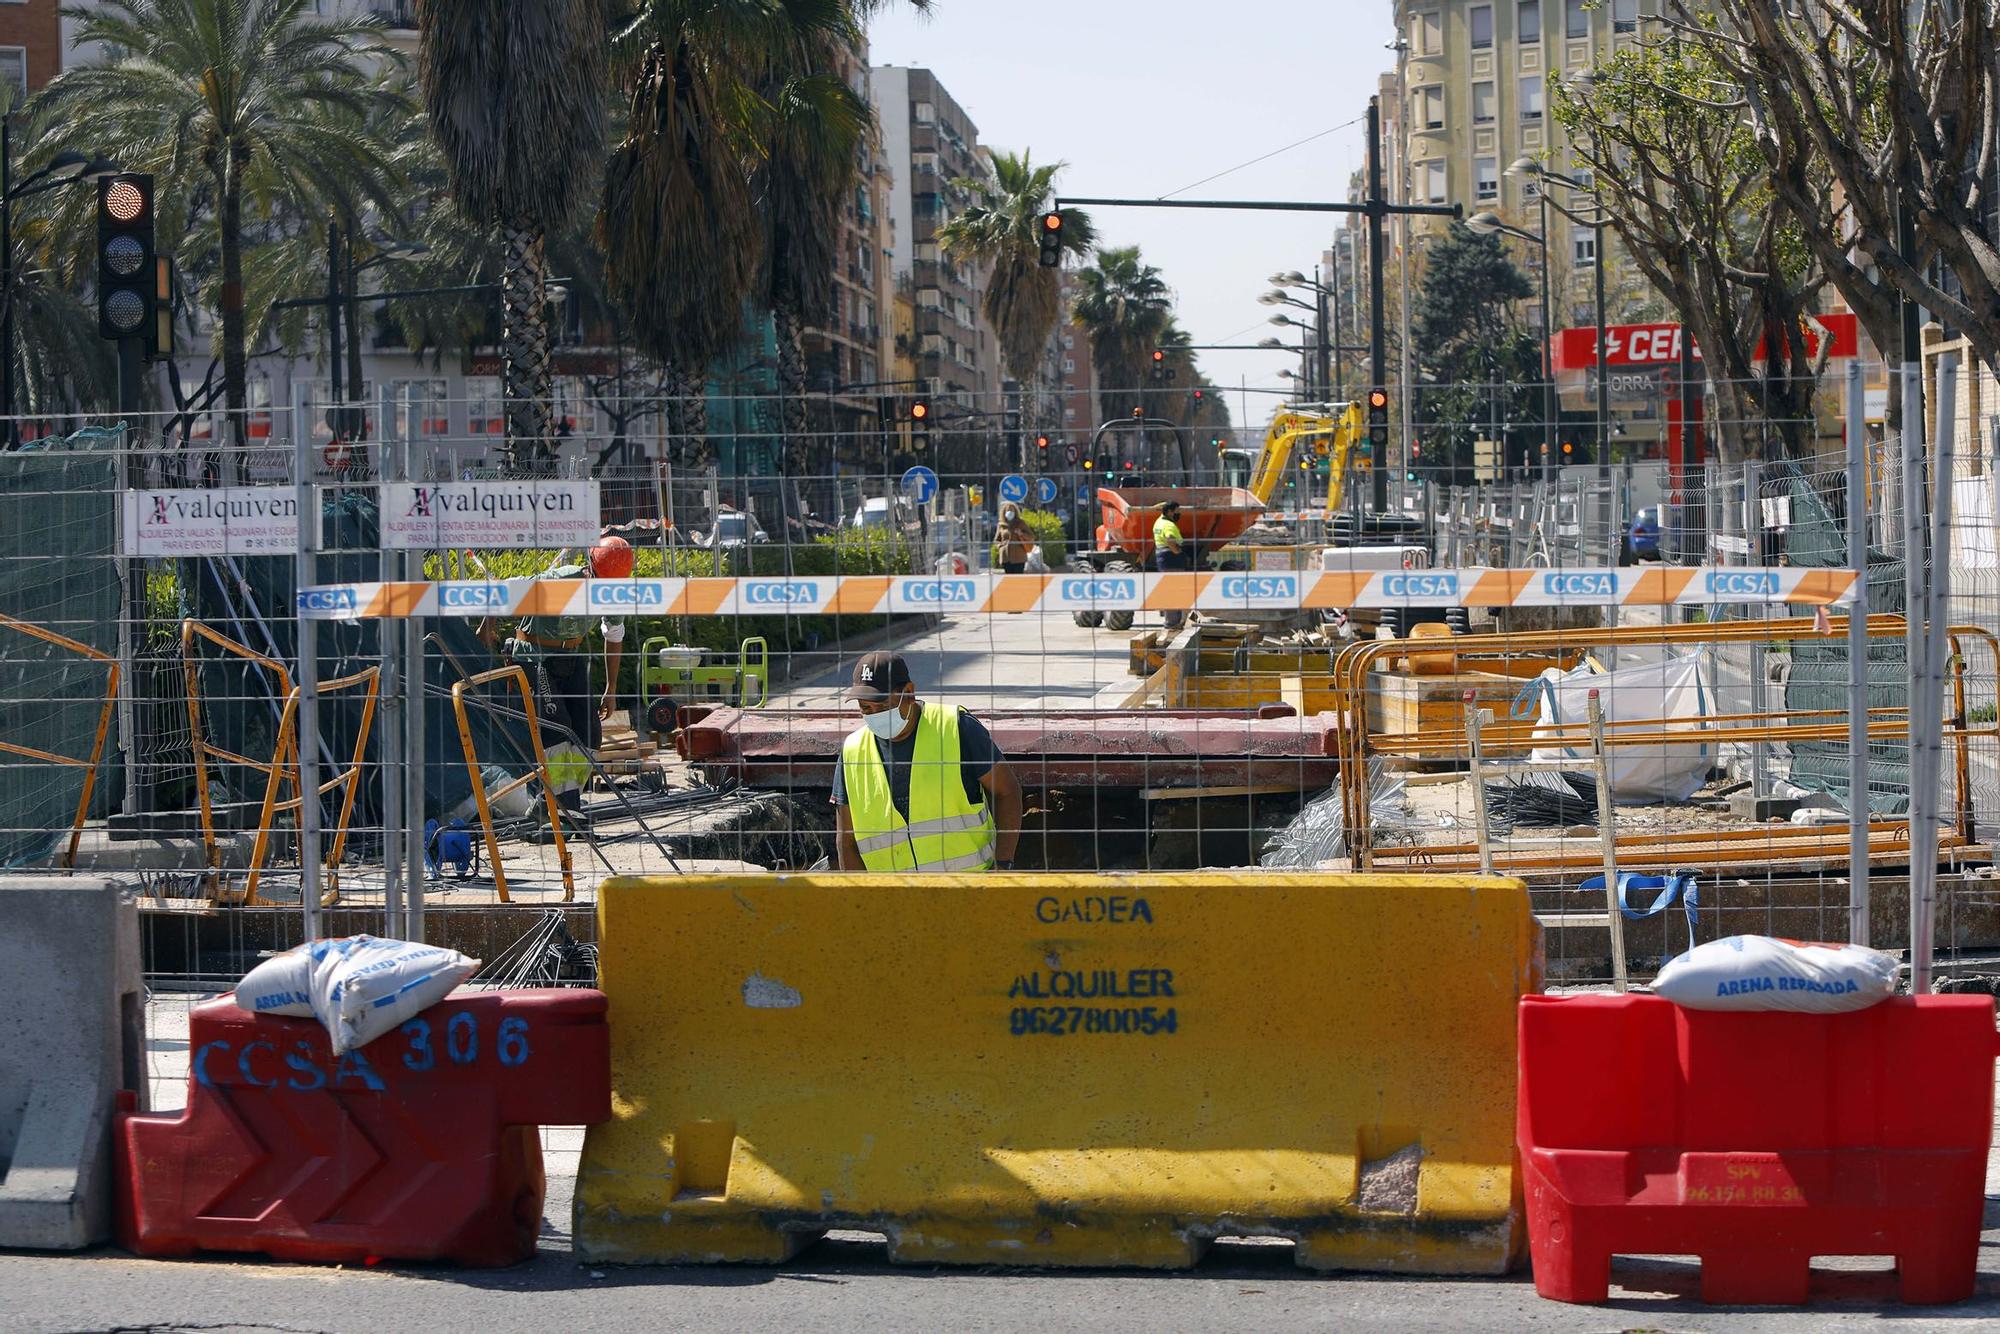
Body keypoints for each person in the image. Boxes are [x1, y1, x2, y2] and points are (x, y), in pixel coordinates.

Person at [477, 536, 635, 824]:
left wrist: (611, 688)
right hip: (534, 656)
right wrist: (488, 625)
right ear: (590, 567)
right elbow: (504, 590)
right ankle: (566, 809)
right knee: (557, 730)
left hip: (570, 657)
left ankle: (547, 802)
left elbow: (614, 636)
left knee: (589, 735)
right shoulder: (559, 581)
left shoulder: (613, 593)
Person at [832, 651, 1022, 872]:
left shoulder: (955, 728)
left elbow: (1007, 792)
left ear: (909, 693)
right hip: (895, 900)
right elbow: (846, 842)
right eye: (865, 708)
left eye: (883, 706)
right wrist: (861, 902)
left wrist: (1003, 865)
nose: (874, 714)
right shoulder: (853, 752)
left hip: (969, 892)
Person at [1153, 500, 1187, 632]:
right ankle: (1172, 623)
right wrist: (1177, 551)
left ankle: (1171, 621)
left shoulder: (1159, 522)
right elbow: (1170, 539)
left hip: (1162, 557)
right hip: (1171, 558)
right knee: (1175, 591)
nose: (1179, 514)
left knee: (1170, 590)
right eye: (1177, 511)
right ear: (1169, 512)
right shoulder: (1168, 525)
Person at [996, 504, 1035, 574]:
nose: (1010, 512)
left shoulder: (1021, 523)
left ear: (1015, 512)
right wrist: (1001, 546)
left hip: (1019, 557)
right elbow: (997, 540)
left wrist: (1021, 534)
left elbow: (1031, 536)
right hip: (1006, 558)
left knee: (1018, 579)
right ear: (1004, 512)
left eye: (1012, 510)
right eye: (1008, 510)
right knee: (1009, 579)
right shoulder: (1001, 525)